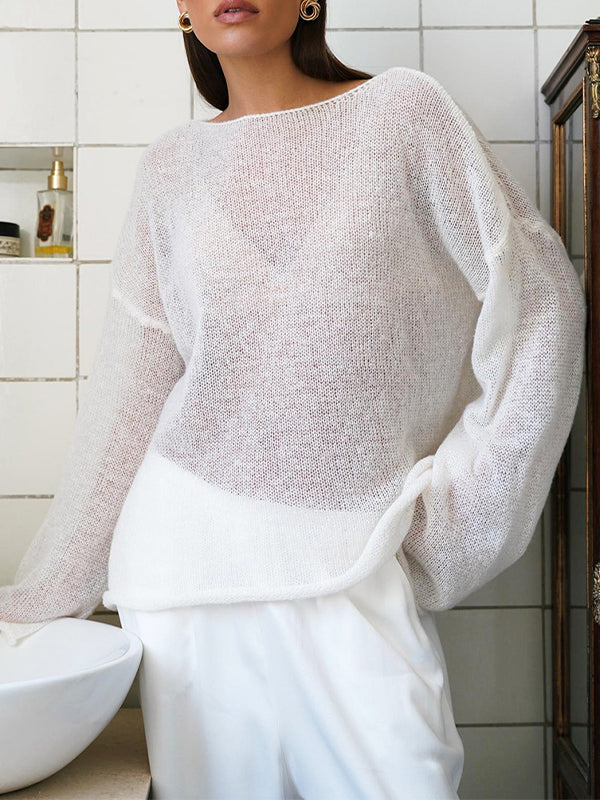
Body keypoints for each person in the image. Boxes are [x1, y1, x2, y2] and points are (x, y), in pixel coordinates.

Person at [0, 1, 586, 798]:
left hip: (348, 568)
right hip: (184, 573)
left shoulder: (403, 114)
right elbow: (130, 395)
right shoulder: (170, 169)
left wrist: (460, 519)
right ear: (181, 11)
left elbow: (542, 302)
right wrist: (38, 599)